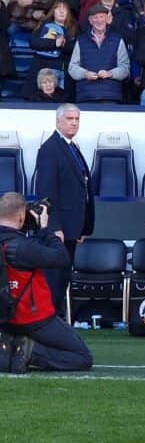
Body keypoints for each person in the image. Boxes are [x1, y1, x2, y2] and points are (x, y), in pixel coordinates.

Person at [0, 192, 92, 375]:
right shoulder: (24, 247)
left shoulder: (17, 244)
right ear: (21, 217)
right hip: (33, 319)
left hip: (3, 319)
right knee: (82, 357)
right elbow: (61, 257)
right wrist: (44, 229)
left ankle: (9, 343)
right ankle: (29, 351)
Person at [33, 104, 95, 318]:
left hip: (72, 229)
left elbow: (83, 189)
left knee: (62, 281)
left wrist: (85, 225)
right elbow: (46, 193)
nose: (74, 122)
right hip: (60, 230)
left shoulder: (71, 147)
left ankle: (57, 327)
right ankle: (50, 327)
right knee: (54, 282)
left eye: (77, 119)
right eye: (69, 119)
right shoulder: (50, 149)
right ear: (58, 121)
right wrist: (54, 226)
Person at [23, 0, 77, 100]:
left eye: (64, 9)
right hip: (38, 65)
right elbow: (33, 42)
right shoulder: (44, 25)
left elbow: (74, 49)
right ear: (53, 12)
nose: (61, 11)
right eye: (58, 8)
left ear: (68, 13)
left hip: (58, 67)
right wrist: (54, 43)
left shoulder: (74, 28)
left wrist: (63, 44)